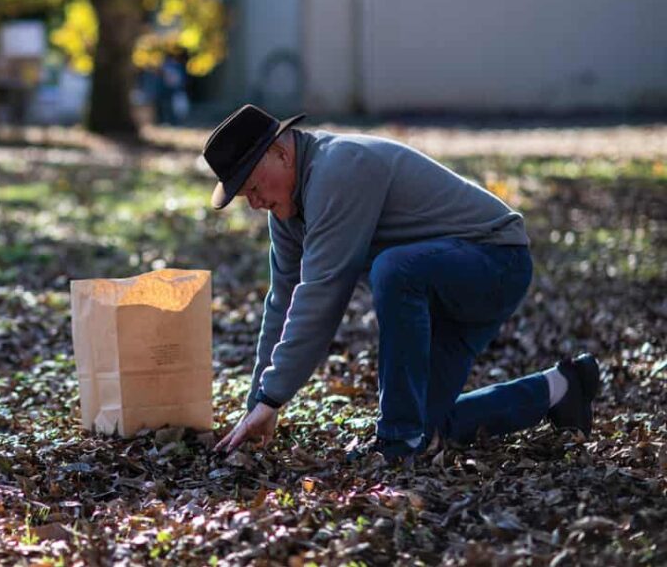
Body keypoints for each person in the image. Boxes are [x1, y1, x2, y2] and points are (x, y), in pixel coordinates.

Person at [205, 105, 600, 462]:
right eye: (246, 197)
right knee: (427, 426)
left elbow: (323, 292)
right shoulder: (288, 214)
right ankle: (560, 388)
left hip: (494, 262)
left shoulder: (337, 168)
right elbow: (283, 302)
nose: (255, 203)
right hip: (434, 291)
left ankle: (397, 440)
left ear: (282, 152)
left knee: (394, 269)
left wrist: (274, 397)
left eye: (255, 187)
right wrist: (257, 401)